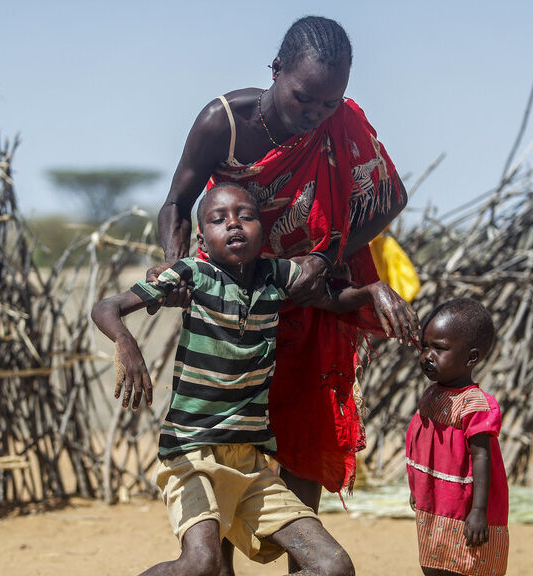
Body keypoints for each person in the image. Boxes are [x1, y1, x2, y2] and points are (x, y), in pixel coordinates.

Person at [153, 17, 415, 544]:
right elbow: (177, 203)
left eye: (329, 104)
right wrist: (174, 266)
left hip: (310, 296)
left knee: (302, 431)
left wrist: (330, 252)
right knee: (222, 437)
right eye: (304, 99)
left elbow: (391, 197)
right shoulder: (223, 124)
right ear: (275, 72)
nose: (316, 114)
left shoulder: (340, 128)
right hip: (232, 304)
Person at [93, 183, 416, 575]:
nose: (234, 224)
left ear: (263, 231)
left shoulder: (276, 276)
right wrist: (125, 343)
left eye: (245, 216)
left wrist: (374, 290)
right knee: (202, 564)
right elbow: (107, 306)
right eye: (218, 219)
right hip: (192, 453)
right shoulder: (192, 274)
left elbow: (331, 299)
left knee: (334, 566)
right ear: (201, 238)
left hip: (251, 463)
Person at [406, 298, 509, 576]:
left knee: (465, 567)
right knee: (434, 565)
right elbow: (421, 444)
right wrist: (417, 487)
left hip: (464, 511)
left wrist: (478, 511)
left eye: (439, 349)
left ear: (471, 357)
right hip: (436, 506)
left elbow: (481, 457)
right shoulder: (432, 395)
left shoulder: (475, 405)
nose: (427, 355)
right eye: (425, 346)